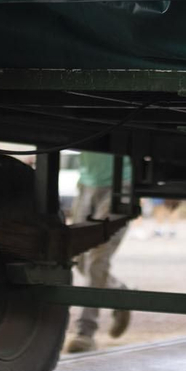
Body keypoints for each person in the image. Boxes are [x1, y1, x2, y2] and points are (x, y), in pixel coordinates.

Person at [66, 150, 132, 353]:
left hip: (120, 182)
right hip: (86, 182)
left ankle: (85, 333)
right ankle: (119, 293)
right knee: (79, 259)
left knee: (97, 260)